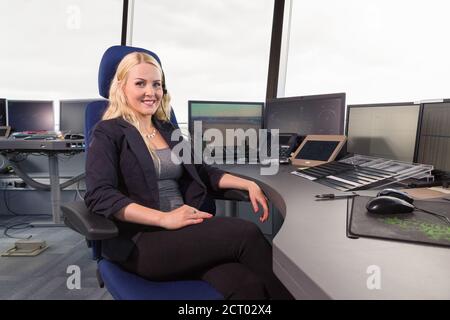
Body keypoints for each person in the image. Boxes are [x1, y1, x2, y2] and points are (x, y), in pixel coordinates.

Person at [84, 50, 293, 300]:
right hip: (143, 241)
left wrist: (247, 183)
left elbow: (202, 172)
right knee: (246, 234)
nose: (151, 92)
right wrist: (164, 218)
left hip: (186, 234)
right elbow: (100, 195)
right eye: (140, 83)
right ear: (121, 87)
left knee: (247, 286)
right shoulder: (108, 132)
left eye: (157, 84)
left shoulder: (166, 128)